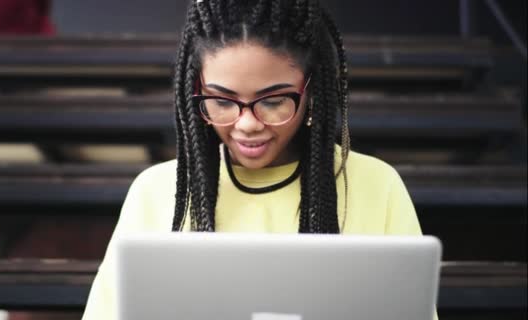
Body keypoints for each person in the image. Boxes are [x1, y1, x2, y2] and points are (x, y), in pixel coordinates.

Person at [83, 1, 437, 319]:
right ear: (197, 94)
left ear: (311, 92)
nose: (248, 124)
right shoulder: (155, 191)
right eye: (222, 102)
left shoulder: (376, 185)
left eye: (273, 101)